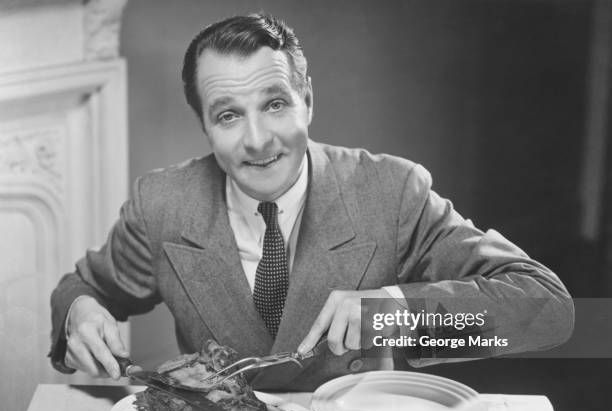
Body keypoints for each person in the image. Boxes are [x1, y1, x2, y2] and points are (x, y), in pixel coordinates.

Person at [48, 13, 573, 391]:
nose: (257, 140)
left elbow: (548, 311)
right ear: (204, 126)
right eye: (228, 115)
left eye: (275, 104)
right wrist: (80, 311)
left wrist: (395, 312)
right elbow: (83, 288)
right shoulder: (161, 203)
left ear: (308, 101)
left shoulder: (391, 192)